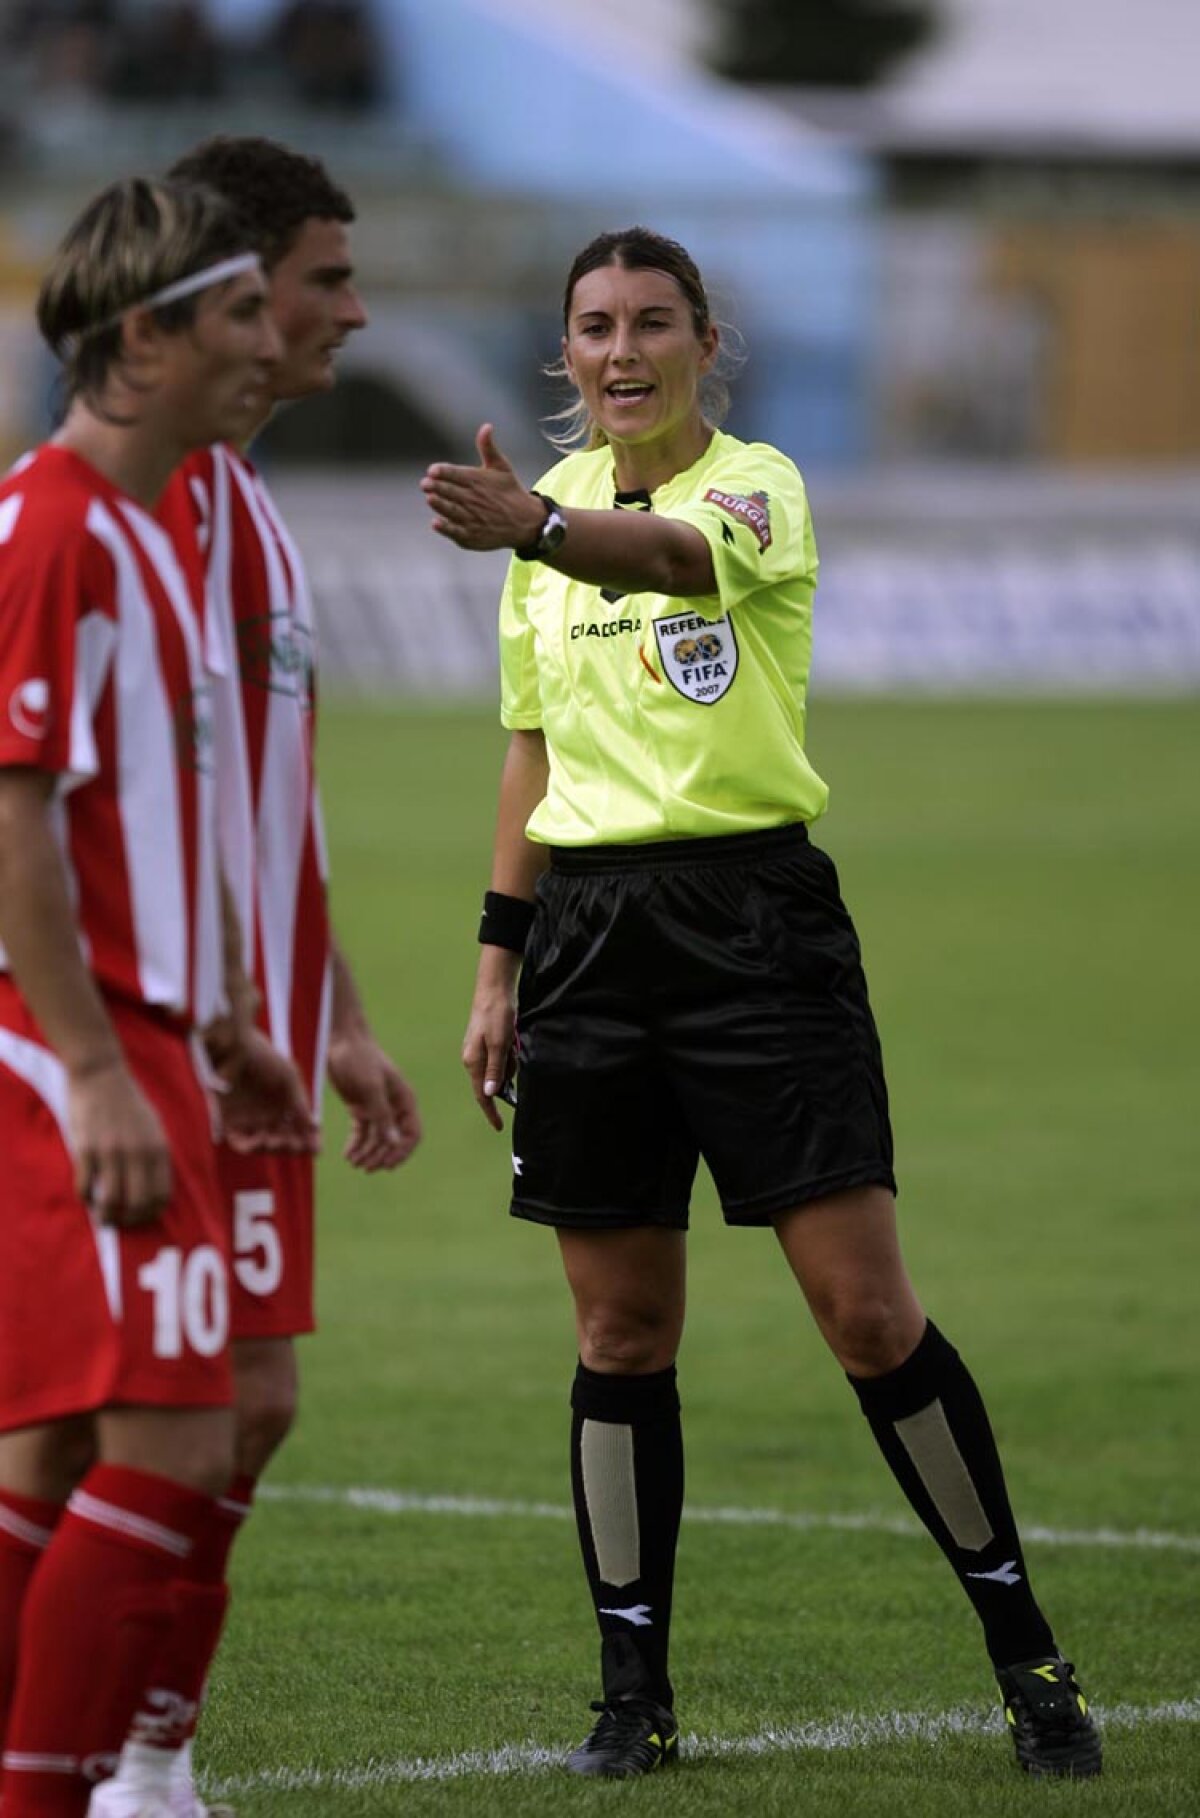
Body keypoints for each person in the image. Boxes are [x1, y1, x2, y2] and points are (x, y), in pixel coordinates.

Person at [421, 227, 1102, 1783]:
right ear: (565, 350)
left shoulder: (756, 486)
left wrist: (532, 525)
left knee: (866, 1311)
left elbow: (664, 559)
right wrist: (493, 966)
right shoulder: (550, 532)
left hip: (754, 925)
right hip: (588, 941)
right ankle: (631, 1696)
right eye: (594, 326)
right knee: (620, 1325)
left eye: (652, 322)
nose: (621, 351)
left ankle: (1029, 1653)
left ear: (704, 342)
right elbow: (529, 756)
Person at [96, 137, 423, 1818]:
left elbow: (256, 808)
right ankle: (112, 1757)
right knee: (159, 1416)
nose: (351, 316)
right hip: (161, 1037)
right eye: (325, 282)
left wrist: (342, 1009)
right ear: (233, 292)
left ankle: (145, 1753)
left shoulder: (244, 505)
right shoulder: (141, 501)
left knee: (238, 1409)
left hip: (263, 1037)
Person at [0, 175, 303, 1818]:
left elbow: (137, 820)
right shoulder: (52, 528)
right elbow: (11, 812)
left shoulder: (148, 528)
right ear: (148, 335)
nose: (274, 344)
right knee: (181, 1446)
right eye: (244, 314)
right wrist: (102, 1070)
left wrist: (228, 1023)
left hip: (158, 1047)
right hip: (73, 1064)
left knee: (60, 1457)